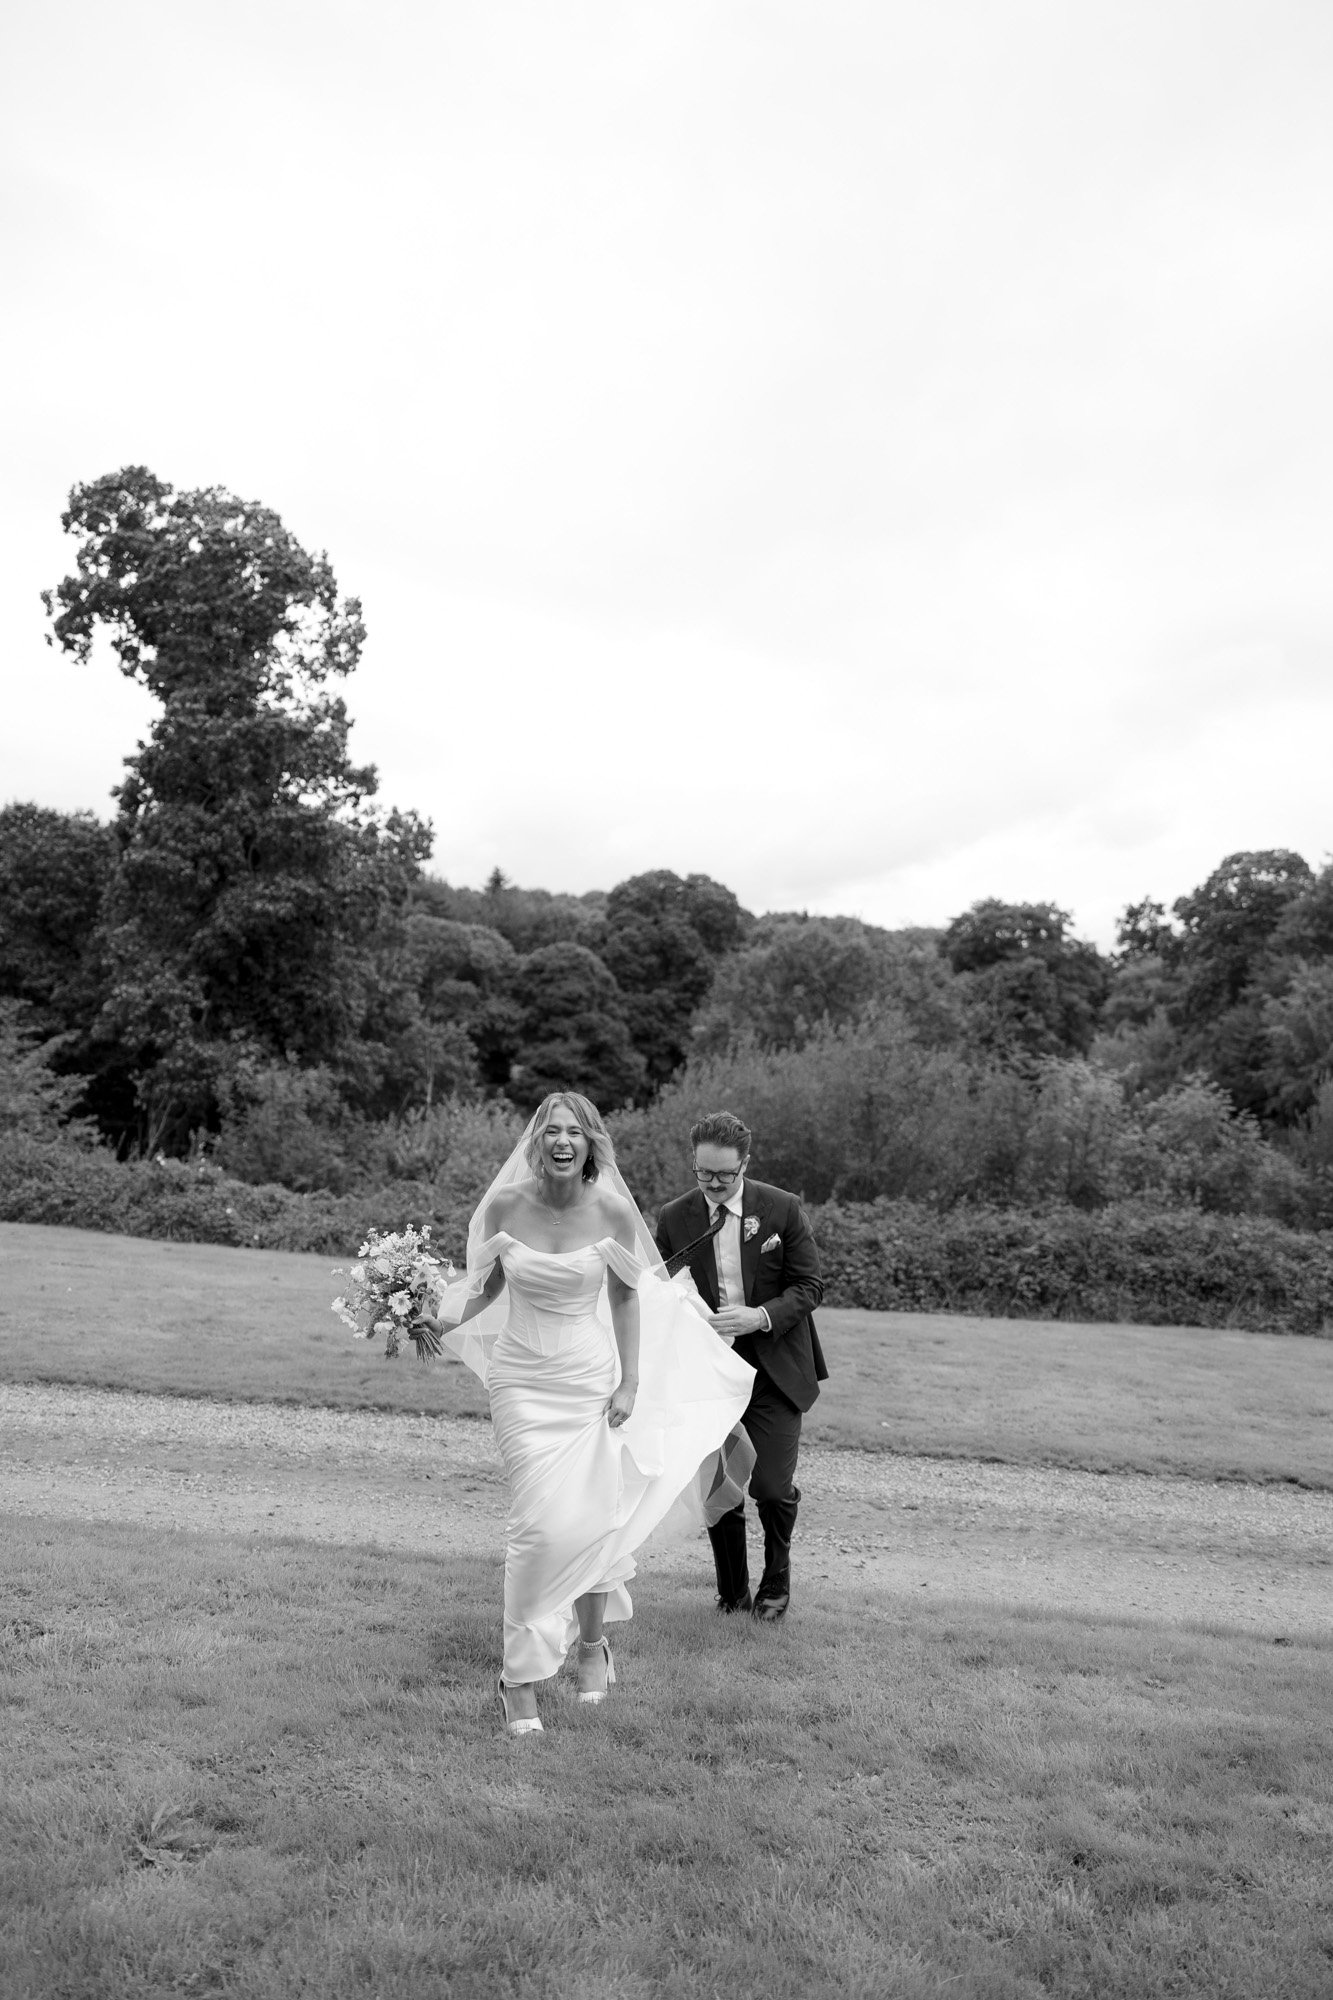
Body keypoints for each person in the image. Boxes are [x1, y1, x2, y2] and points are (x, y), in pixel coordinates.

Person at [420, 1091, 755, 1736]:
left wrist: (631, 1383)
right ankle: (518, 1679)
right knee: (540, 1525)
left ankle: (592, 1645)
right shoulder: (504, 1206)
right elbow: (488, 1286)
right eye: (552, 1130)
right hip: (520, 1382)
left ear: (592, 1143)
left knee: (594, 1518)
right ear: (535, 1141)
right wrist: (428, 1312)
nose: (563, 1141)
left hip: (588, 1382)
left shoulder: (610, 1212)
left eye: (575, 1132)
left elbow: (627, 1300)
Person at [654, 1110, 826, 1622]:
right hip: (708, 1371)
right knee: (720, 1485)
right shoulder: (674, 1216)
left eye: (724, 1176)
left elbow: (810, 1287)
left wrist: (760, 1316)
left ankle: (777, 1583)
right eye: (702, 1173)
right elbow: (661, 1287)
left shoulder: (782, 1209)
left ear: (745, 1164)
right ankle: (733, 1593)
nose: (712, 1184)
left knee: (771, 1486)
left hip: (774, 1368)